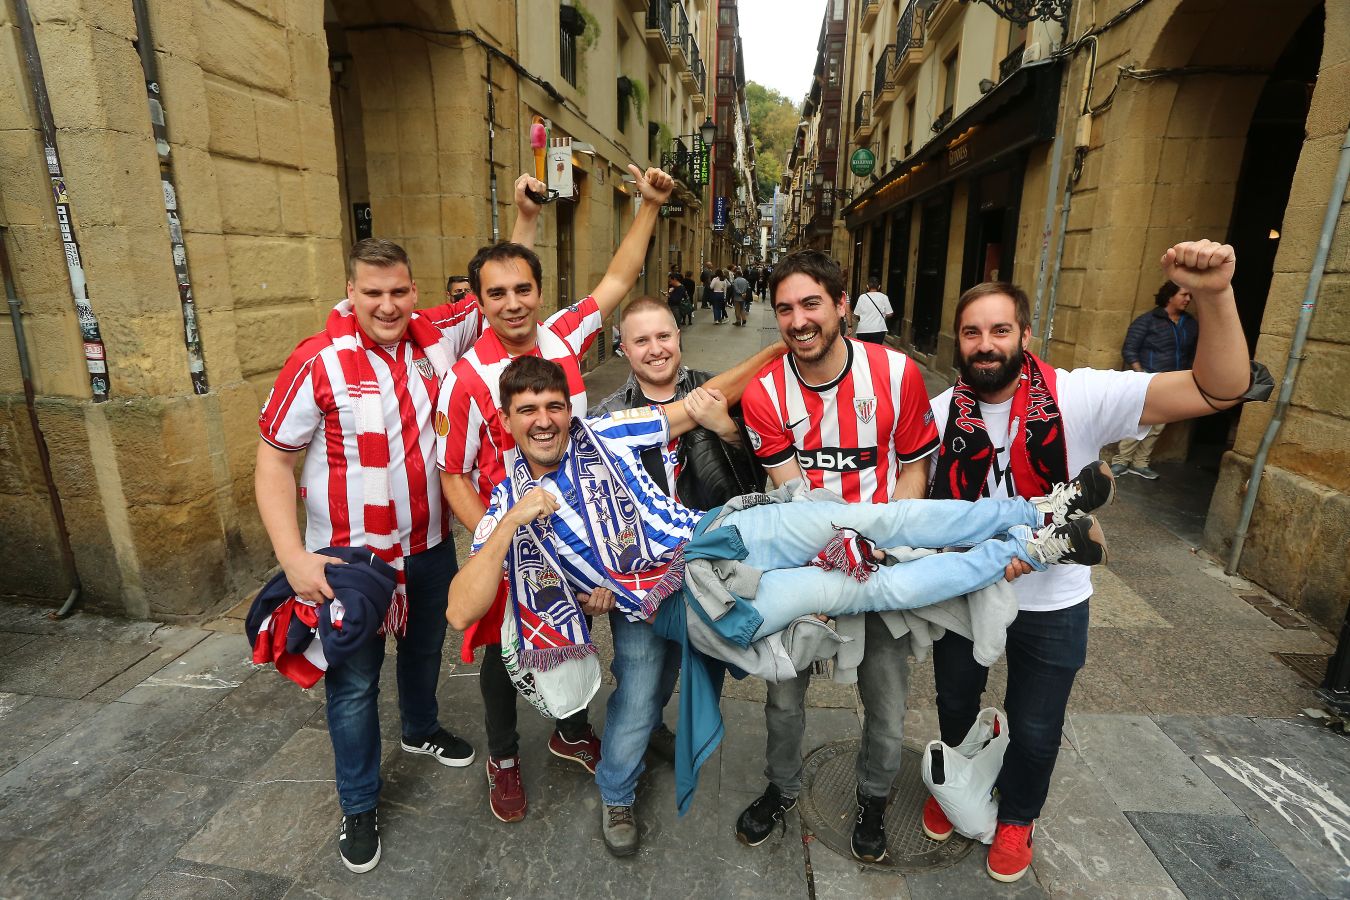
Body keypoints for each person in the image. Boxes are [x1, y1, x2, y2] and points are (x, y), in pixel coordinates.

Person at [449, 357, 1110, 853]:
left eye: (553, 406)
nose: (543, 419)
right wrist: (514, 523)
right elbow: (459, 608)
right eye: (527, 410)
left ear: (569, 409)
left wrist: (779, 345)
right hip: (699, 599)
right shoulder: (507, 505)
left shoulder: (604, 434)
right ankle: (1037, 549)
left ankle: (1037, 509)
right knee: (863, 584)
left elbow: (700, 401)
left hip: (722, 536)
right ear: (506, 422)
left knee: (871, 520)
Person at [920, 240, 1250, 884]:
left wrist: (1215, 295)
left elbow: (1220, 389)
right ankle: (956, 782)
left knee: (1038, 723)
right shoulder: (937, 416)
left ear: (1024, 334)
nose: (985, 344)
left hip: (1054, 601)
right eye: (971, 333)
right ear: (959, 343)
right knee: (955, 703)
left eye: (999, 330)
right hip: (965, 592)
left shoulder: (1079, 396)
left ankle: (1016, 817)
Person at [252, 175, 546, 875]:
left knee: (421, 653)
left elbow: (499, 285)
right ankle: (358, 805)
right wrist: (294, 559)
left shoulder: (438, 336)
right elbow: (272, 462)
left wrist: (525, 217)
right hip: (349, 563)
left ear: (415, 292)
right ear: (351, 294)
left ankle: (419, 729)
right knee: (352, 684)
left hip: (428, 546)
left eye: (398, 292)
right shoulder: (315, 361)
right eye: (371, 293)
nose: (387, 305)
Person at [436, 165, 675, 827]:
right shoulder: (462, 380)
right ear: (478, 303)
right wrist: (495, 538)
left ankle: (569, 730)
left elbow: (618, 281)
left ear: (539, 293)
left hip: (580, 527)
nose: (512, 303)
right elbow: (453, 472)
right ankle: (504, 758)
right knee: (502, 648)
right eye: (497, 294)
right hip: (514, 533)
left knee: (574, 633)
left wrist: (650, 207)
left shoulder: (565, 336)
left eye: (523, 289)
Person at [734, 248, 936, 862]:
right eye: (785, 308)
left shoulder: (898, 376)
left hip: (883, 561)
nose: (798, 320)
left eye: (812, 304)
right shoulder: (764, 394)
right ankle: (783, 785)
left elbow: (914, 473)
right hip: (804, 565)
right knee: (783, 692)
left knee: (886, 695)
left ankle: (874, 797)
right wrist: (833, 560)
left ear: (842, 305)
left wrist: (877, 550)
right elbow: (791, 494)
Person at [589, 297, 767, 771]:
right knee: (641, 680)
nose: (655, 349)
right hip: (641, 581)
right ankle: (617, 789)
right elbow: (592, 508)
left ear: (679, 336)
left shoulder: (715, 392)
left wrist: (726, 429)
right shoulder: (608, 415)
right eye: (641, 340)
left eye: (663, 336)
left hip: (706, 570)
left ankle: (652, 729)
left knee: (674, 672)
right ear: (623, 348)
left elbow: (756, 484)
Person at [1110, 281, 1197, 479]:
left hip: (1174, 382)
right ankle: (1121, 461)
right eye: (1184, 295)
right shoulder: (1147, 321)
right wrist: (1141, 374)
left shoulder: (1190, 323)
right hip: (1148, 380)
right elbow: (1129, 349)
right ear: (1170, 296)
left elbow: (1192, 352)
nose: (1188, 299)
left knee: (1158, 426)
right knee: (1139, 422)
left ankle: (1140, 463)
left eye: (1190, 296)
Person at [852, 276, 893, 345]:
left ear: (867, 286)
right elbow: (890, 313)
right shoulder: (884, 297)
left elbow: (856, 314)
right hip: (879, 329)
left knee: (863, 351)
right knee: (876, 351)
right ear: (879, 287)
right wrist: (882, 316)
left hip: (863, 330)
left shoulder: (862, 297)